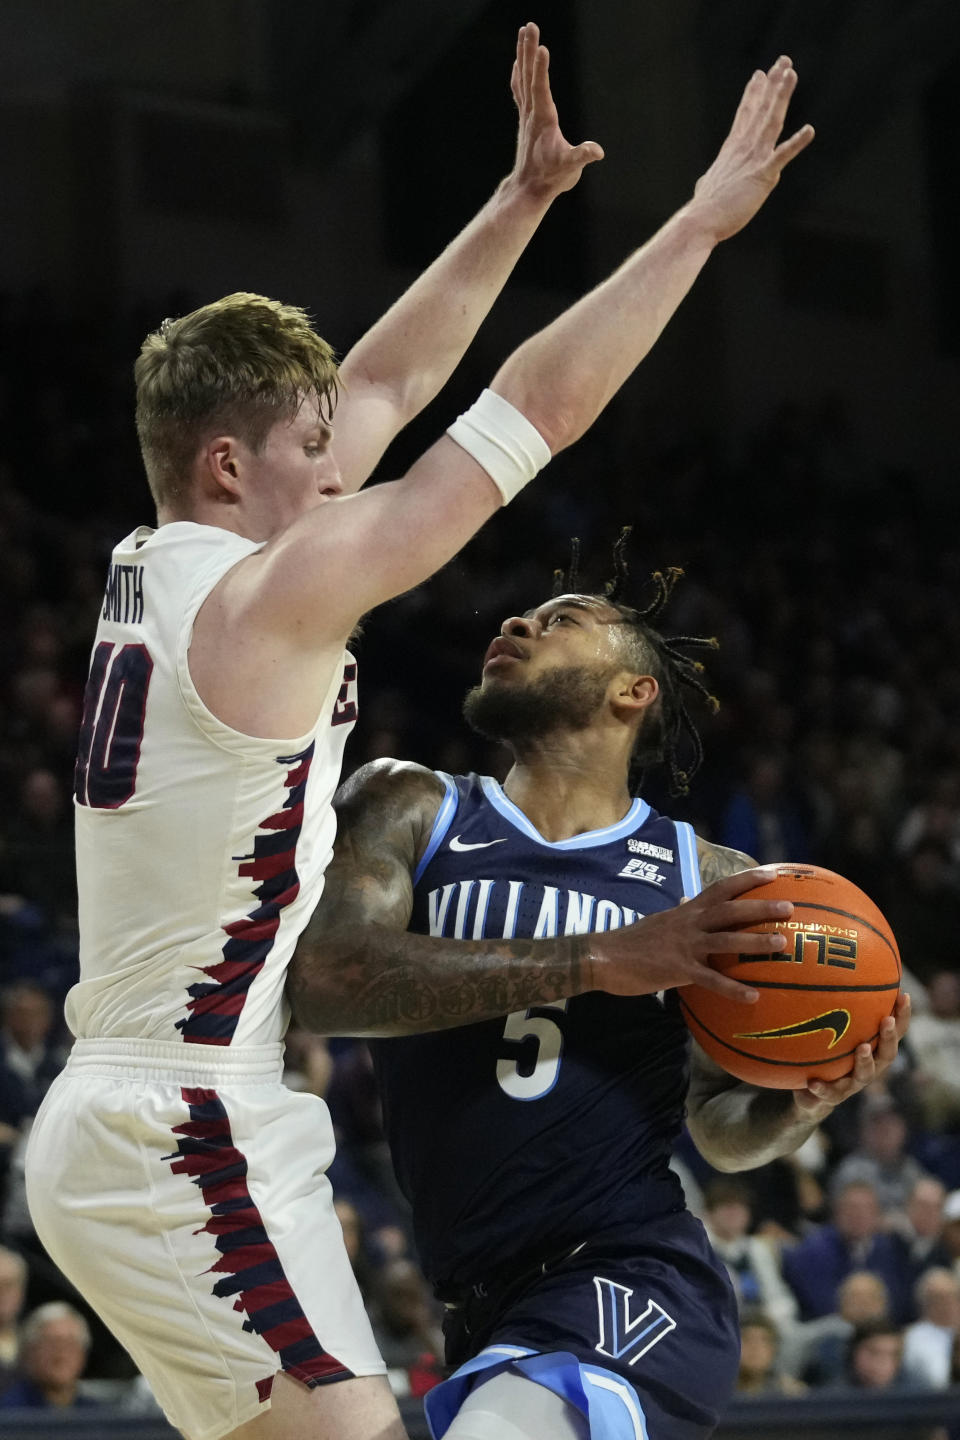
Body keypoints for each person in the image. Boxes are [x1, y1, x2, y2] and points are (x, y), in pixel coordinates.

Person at [24, 26, 815, 1440]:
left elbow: (384, 387)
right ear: (229, 464)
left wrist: (518, 205)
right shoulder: (274, 596)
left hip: (163, 1112)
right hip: (184, 1119)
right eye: (315, 452)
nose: (346, 466)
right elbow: (535, 412)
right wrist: (694, 227)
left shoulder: (169, 566)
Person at [291, 560, 910, 1440]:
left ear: (633, 692)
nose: (519, 620)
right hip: (480, 1299)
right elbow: (327, 982)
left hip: (628, 1276)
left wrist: (802, 1104)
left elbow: (717, 1131)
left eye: (563, 618)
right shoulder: (412, 806)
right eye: (524, 611)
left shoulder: (711, 887)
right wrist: (599, 960)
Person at [0, 1301, 100, 1412]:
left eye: (70, 1343)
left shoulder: (99, 1415)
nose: (61, 1352)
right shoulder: (8, 1412)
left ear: (83, 1353)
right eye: (51, 1343)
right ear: (29, 1351)